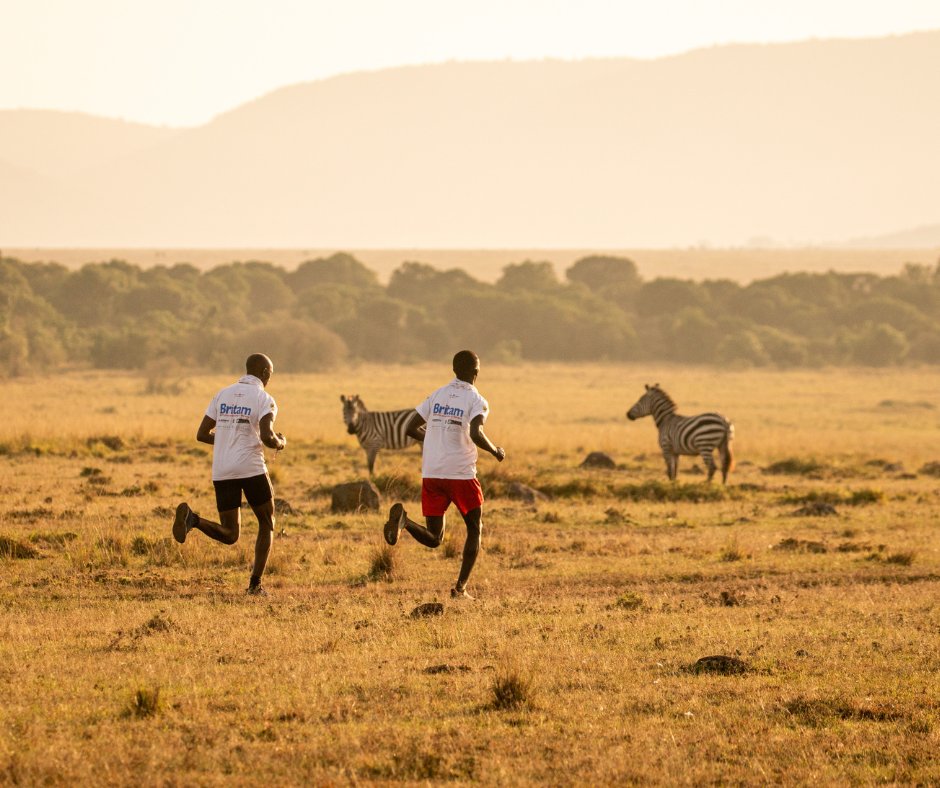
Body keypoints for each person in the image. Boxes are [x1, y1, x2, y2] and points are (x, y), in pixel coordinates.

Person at [383, 350, 505, 599]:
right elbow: (476, 433)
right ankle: (460, 589)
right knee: (475, 528)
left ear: (454, 370)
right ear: (476, 372)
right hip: (460, 474)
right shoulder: (477, 399)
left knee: (434, 538)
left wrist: (433, 439)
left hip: (432, 472)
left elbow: (410, 427)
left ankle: (405, 522)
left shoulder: (437, 394)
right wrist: (496, 451)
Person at [172, 353, 287, 596]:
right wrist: (280, 443)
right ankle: (255, 585)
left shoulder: (222, 394)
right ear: (265, 373)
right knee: (267, 522)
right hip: (251, 468)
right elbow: (267, 436)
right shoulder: (264, 399)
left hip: (222, 469)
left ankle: (193, 520)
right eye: (270, 375)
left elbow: (202, 434)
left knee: (230, 534)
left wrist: (228, 440)